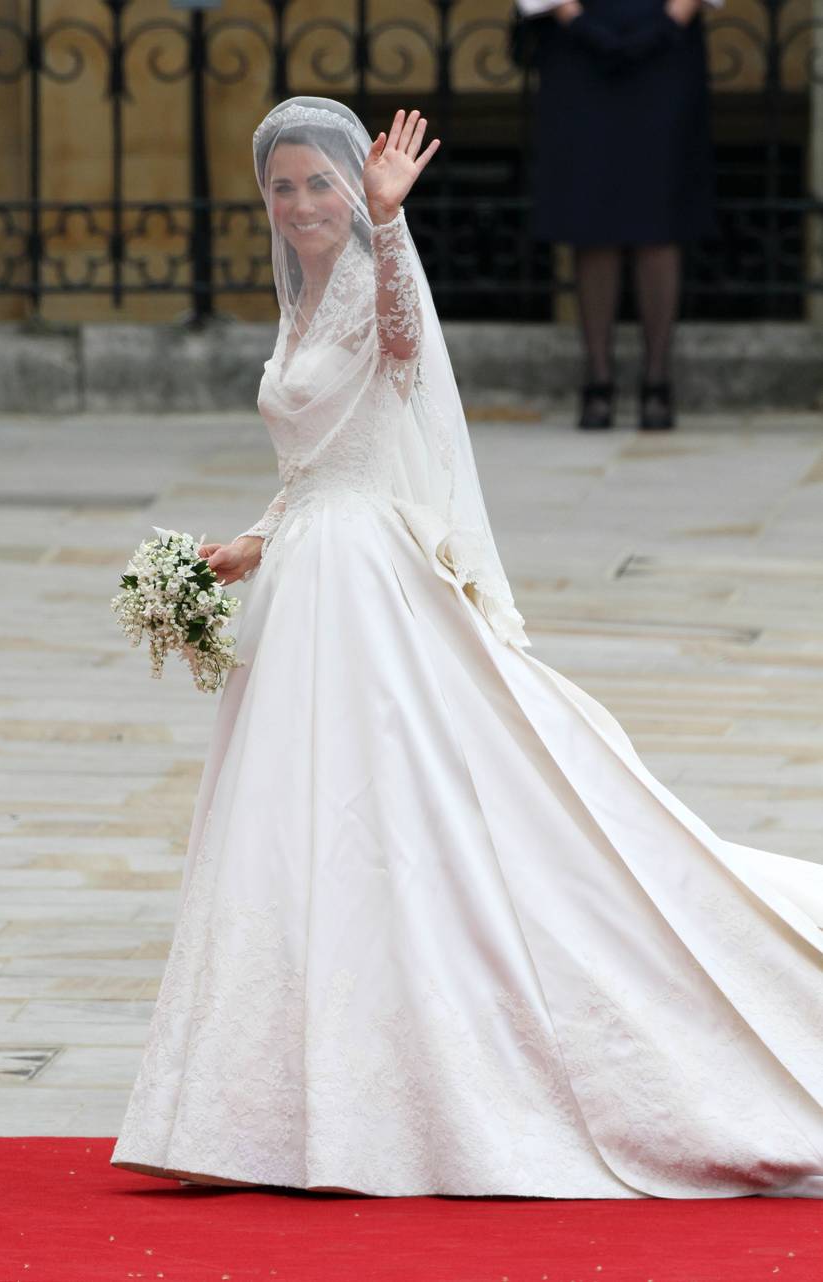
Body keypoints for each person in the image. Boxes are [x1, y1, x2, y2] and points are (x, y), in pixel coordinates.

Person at [111, 97, 823, 1200]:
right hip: (306, 573)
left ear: (352, 190)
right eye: (283, 187)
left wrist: (389, 221)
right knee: (293, 821)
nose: (301, 204)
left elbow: (402, 351)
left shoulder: (370, 276)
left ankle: (377, 1095)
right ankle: (269, 1109)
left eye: (319, 183)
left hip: (363, 586)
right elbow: (323, 462)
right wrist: (251, 541)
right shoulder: (303, 302)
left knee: (379, 815)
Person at [516, 0, 720, 430]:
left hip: (666, 49)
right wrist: (575, 20)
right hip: (577, 49)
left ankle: (658, 379)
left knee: (660, 212)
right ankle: (598, 377)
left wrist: (670, 22)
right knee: (591, 212)